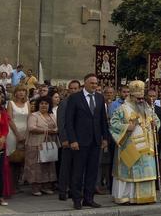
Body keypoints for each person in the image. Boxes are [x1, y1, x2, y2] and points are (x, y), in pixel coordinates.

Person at [108, 80, 160, 204]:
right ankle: (126, 197)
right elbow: (113, 124)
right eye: (138, 98)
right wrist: (127, 127)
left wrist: (155, 124)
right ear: (131, 96)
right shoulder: (123, 109)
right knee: (128, 173)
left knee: (146, 172)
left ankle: (146, 197)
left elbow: (156, 120)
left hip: (146, 148)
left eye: (142, 98)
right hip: (129, 146)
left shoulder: (148, 108)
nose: (141, 100)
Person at [64, 73, 109, 210]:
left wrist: (105, 138)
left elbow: (103, 120)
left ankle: (89, 199)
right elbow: (69, 121)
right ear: (85, 83)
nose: (94, 85)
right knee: (78, 171)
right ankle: (77, 199)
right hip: (80, 141)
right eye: (92, 83)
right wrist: (72, 140)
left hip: (95, 141)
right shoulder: (75, 98)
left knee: (92, 171)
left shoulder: (100, 98)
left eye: (96, 83)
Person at [24, 96, 58, 195]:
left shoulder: (52, 115)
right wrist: (47, 131)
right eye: (42, 103)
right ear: (38, 105)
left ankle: (46, 186)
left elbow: (56, 127)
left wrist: (55, 130)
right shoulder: (34, 115)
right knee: (35, 166)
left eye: (46, 104)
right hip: (35, 144)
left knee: (48, 165)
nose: (44, 105)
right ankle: (35, 188)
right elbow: (31, 128)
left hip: (49, 144)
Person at [56, 79, 80, 200]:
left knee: (76, 167)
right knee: (65, 166)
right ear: (68, 90)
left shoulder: (80, 102)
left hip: (79, 140)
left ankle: (73, 190)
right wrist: (64, 139)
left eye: (76, 88)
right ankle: (62, 191)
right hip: (68, 139)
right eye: (72, 88)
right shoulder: (64, 103)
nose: (74, 90)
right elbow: (61, 122)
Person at [7, 86, 30, 185]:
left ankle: (19, 181)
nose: (21, 93)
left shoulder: (27, 103)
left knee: (22, 156)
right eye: (19, 91)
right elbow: (10, 119)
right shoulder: (11, 103)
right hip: (13, 132)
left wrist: (26, 133)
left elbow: (29, 118)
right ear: (15, 93)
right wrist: (17, 134)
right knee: (12, 156)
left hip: (25, 131)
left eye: (23, 91)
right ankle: (11, 182)